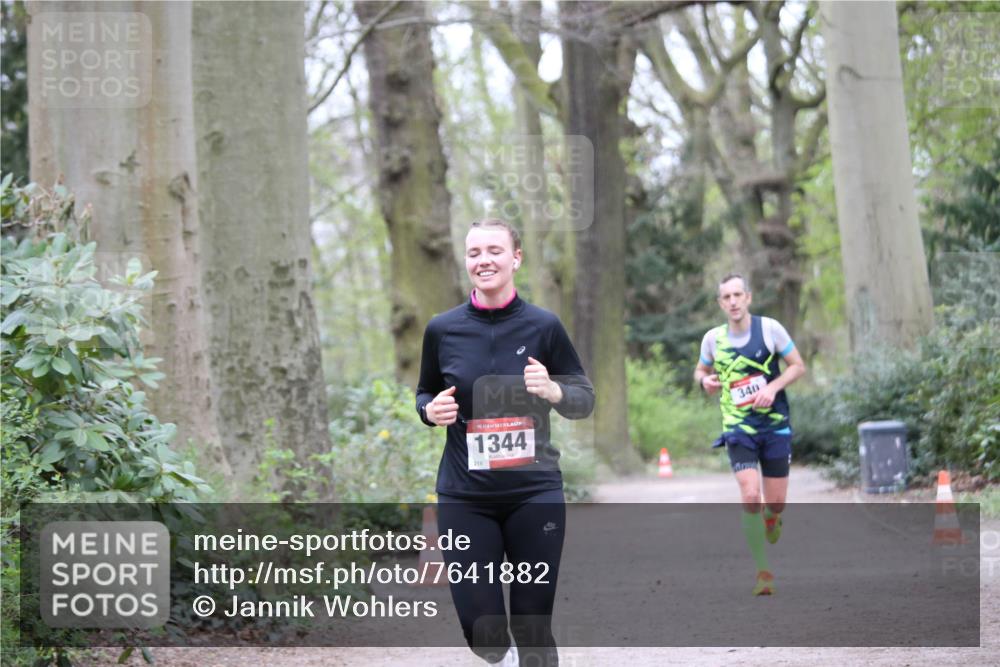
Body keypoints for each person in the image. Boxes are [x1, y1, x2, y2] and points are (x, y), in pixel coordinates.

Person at [417, 219, 594, 667]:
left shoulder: (544, 326)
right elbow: (425, 392)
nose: (484, 260)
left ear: (516, 258)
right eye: (475, 253)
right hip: (465, 496)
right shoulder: (442, 330)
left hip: (534, 494)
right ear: (466, 261)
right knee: (484, 633)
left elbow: (582, 399)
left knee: (533, 624)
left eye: (494, 251)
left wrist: (554, 390)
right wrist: (429, 411)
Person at [693, 273, 806, 595]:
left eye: (737, 295)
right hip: (737, 427)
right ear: (720, 303)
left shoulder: (770, 329)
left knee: (776, 502)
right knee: (750, 494)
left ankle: (773, 517)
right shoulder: (713, 339)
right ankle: (763, 572)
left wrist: (773, 387)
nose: (732, 302)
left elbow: (798, 365)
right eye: (726, 297)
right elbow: (700, 370)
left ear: (748, 298)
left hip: (774, 426)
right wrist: (705, 381)